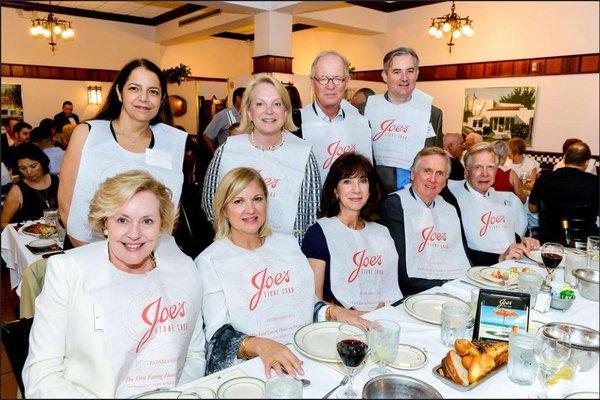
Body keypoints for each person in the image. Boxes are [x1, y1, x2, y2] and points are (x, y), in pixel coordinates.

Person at [23, 170, 205, 397]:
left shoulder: (183, 268)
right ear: (105, 223)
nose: (134, 234)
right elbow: (42, 375)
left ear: (162, 225)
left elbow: (195, 354)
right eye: (122, 220)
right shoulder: (67, 271)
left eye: (147, 221)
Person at [196, 167, 366, 376]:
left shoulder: (288, 244)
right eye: (238, 201)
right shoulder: (209, 261)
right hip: (252, 370)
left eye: (257, 199)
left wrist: (334, 311)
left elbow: (306, 303)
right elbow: (218, 335)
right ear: (223, 210)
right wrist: (262, 346)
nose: (250, 209)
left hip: (304, 356)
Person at [58, 58, 186, 248]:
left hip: (145, 252)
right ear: (119, 92)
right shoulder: (88, 134)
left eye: (153, 91)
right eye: (134, 88)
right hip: (88, 250)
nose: (144, 97)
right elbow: (65, 203)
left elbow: (169, 210)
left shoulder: (171, 142)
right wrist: (98, 257)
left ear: (162, 99)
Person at [201, 74, 321, 243]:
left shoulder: (304, 154)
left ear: (286, 111)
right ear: (249, 112)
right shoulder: (227, 151)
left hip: (288, 255)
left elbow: (312, 214)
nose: (269, 111)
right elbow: (210, 204)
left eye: (277, 104)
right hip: (237, 251)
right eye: (260, 104)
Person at [302, 153, 402, 311]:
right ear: (335, 190)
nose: (356, 189)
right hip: (339, 326)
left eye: (363, 181)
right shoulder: (318, 233)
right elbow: (315, 301)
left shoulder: (381, 232)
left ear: (370, 189)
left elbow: (389, 289)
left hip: (383, 319)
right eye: (347, 181)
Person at [378, 147, 471, 296]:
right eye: (427, 171)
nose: (433, 179)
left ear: (445, 181)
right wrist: (446, 287)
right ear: (413, 174)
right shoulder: (394, 205)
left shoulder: (450, 207)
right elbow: (401, 267)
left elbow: (461, 253)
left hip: (451, 287)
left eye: (439, 173)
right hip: (413, 293)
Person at [365, 47, 444, 194]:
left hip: (418, 199)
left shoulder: (433, 114)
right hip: (374, 200)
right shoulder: (365, 110)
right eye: (397, 71)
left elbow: (438, 160)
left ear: (417, 74)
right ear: (384, 76)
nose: (404, 78)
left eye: (410, 71)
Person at [448, 142, 539, 266]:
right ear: (467, 170)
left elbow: (503, 234)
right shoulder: (450, 199)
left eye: (490, 167)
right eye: (478, 167)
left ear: (497, 170)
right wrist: (500, 258)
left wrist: (522, 242)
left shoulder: (504, 199)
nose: (485, 173)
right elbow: (456, 251)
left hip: (507, 269)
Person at [295, 51, 373, 182]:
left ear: (346, 83)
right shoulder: (295, 124)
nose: (330, 86)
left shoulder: (362, 124)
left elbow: (369, 175)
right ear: (312, 82)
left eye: (337, 79)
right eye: (323, 79)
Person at [529, 142, 599, 243]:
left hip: (549, 240)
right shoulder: (595, 183)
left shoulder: (544, 179)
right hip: (585, 242)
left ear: (565, 158)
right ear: (587, 162)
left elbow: (532, 209)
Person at [1, 143, 59, 228]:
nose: (29, 172)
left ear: (42, 162)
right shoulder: (17, 191)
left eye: (33, 166)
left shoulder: (58, 180)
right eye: (22, 168)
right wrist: (23, 231)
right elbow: (3, 223)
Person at [203, 87, 245, 152]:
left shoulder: (249, 115)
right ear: (238, 99)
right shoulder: (223, 115)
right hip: (228, 158)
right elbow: (207, 136)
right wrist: (215, 153)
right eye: (246, 98)